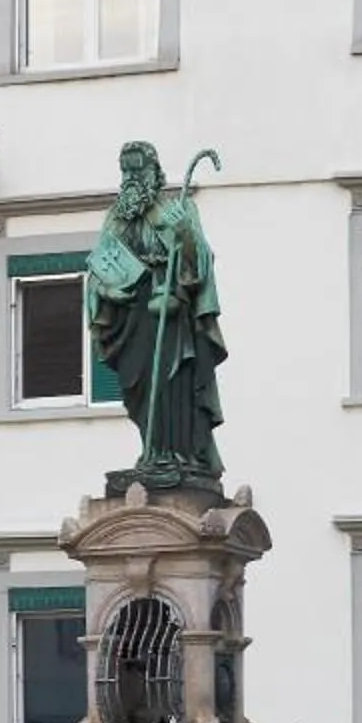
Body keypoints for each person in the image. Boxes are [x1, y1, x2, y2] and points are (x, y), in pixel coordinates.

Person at [84, 140, 228, 490]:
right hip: (131, 316)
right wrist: (105, 291)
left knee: (171, 383)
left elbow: (201, 265)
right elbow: (98, 266)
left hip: (171, 313)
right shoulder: (116, 218)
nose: (132, 178)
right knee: (139, 388)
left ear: (155, 173)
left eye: (138, 170)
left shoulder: (179, 210)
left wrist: (183, 235)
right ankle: (150, 453)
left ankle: (175, 455)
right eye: (126, 171)